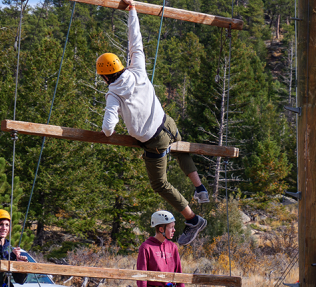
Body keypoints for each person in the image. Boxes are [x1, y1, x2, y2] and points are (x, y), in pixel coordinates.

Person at [96, 0, 207, 246]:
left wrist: (109, 125)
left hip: (154, 142)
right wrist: (132, 10)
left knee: (160, 183)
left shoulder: (114, 94)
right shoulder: (138, 71)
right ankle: (200, 188)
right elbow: (135, 42)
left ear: (105, 76)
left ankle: (192, 219)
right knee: (180, 150)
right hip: (168, 122)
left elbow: (108, 129)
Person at [136, 211, 184, 287]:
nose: (174, 230)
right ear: (161, 229)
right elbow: (141, 276)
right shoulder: (146, 247)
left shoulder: (173, 247)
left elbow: (179, 273)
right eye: (171, 227)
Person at [0, 209, 28, 287]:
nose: (4, 228)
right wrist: (9, 258)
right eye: (1, 224)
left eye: (7, 225)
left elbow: (20, 281)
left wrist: (21, 266)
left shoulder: (10, 249)